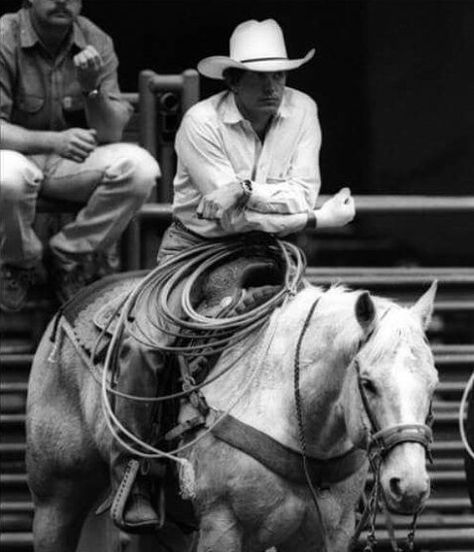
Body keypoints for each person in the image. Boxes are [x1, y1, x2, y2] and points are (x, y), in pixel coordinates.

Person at [108, 18, 356, 533]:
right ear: (232, 81)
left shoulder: (302, 110)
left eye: (280, 76)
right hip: (196, 247)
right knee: (144, 347)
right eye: (260, 78)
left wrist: (247, 189)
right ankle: (134, 470)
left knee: (319, 344)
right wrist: (307, 216)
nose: (273, 87)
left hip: (275, 250)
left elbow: (299, 192)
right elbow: (227, 216)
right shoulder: (200, 122)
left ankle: (327, 466)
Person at [0, 0, 160, 310]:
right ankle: (19, 263)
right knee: (6, 177)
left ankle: (70, 257)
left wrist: (92, 90)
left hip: (69, 164)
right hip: (15, 156)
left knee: (140, 168)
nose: (62, 0)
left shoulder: (95, 39)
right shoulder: (5, 35)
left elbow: (111, 133)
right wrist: (53, 141)